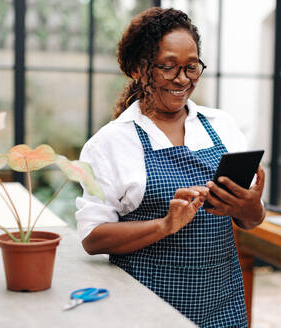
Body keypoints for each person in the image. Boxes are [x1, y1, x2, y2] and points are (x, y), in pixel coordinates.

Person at [76, 7, 265, 328]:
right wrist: (165, 225)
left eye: (192, 67)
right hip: (145, 310)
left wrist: (249, 207)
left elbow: (251, 221)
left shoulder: (222, 125)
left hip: (222, 305)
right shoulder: (111, 143)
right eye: (168, 67)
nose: (182, 79)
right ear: (138, 68)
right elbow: (93, 238)